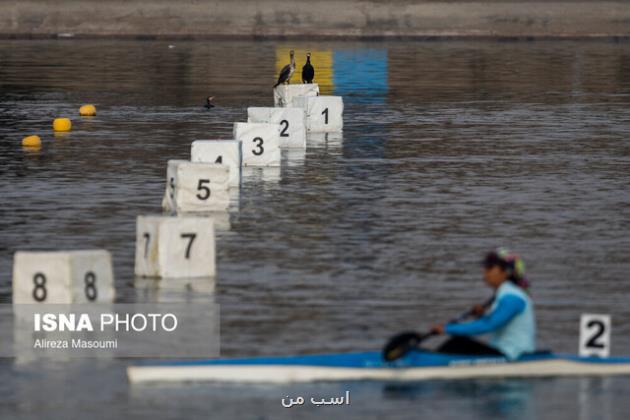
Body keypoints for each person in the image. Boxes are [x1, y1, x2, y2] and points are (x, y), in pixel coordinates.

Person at [430, 248, 536, 360]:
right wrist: (481, 316)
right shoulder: (505, 293)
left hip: (514, 355)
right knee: (458, 345)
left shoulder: (512, 297)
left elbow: (489, 325)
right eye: (485, 267)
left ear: (506, 272)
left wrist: (448, 329)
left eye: (490, 268)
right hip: (503, 352)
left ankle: (428, 364)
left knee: (458, 343)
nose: (485, 272)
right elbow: (497, 322)